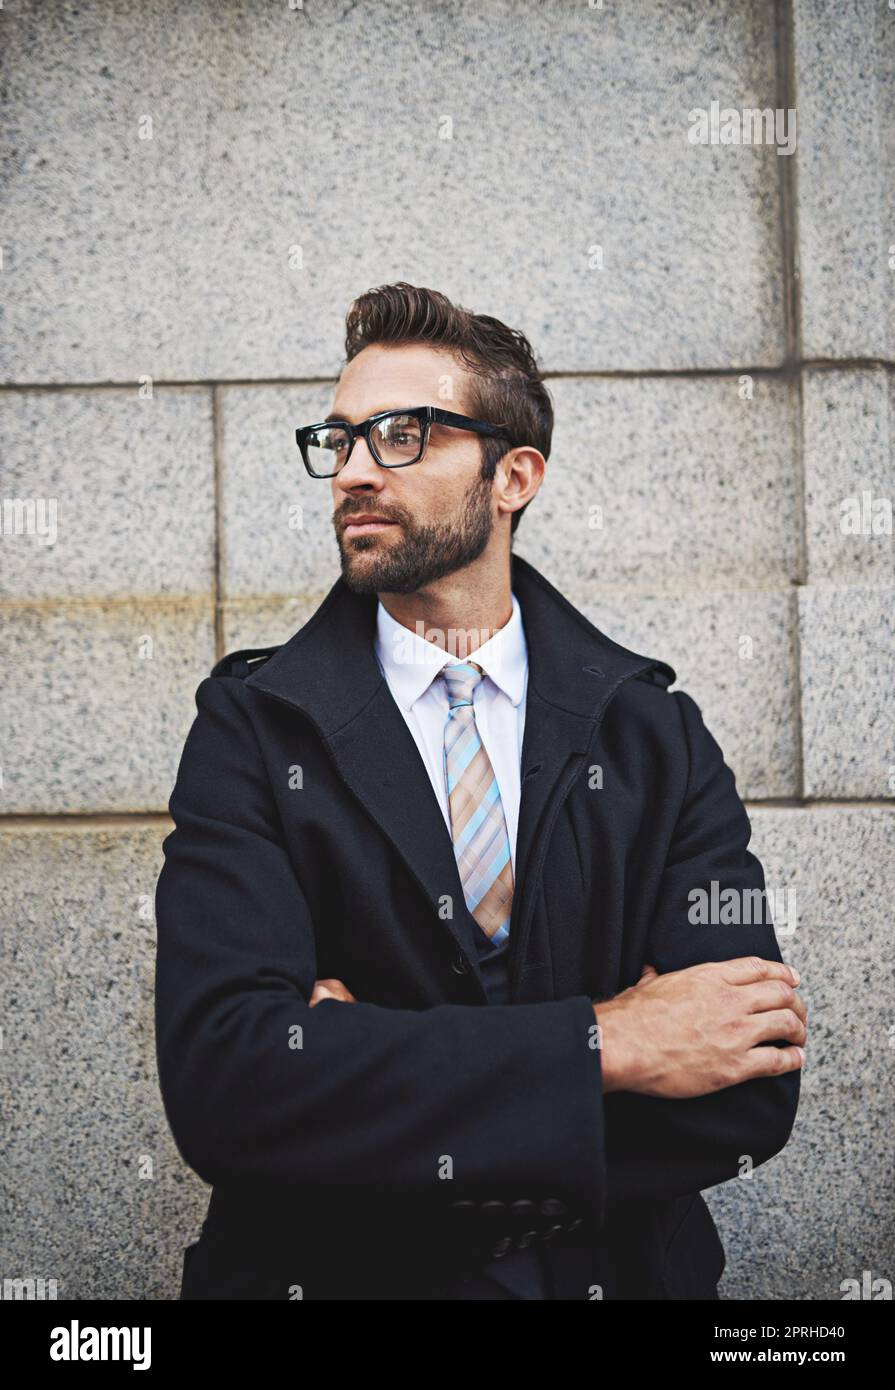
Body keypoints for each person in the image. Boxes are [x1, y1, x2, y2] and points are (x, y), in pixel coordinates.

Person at [154, 281, 805, 1300]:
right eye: (341, 438)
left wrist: (367, 1075)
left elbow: (745, 1085)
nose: (355, 471)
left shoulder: (650, 734)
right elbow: (230, 1086)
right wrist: (614, 1041)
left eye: (402, 435)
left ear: (514, 475)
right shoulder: (252, 726)